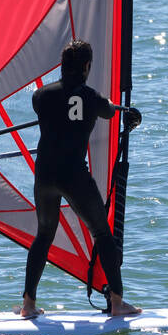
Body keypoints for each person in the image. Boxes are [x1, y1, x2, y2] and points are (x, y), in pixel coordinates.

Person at [20, 39, 141, 319]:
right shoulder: (92, 98)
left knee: (43, 235)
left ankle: (28, 305)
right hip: (73, 175)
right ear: (86, 66)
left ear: (63, 66)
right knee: (101, 233)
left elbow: (51, 107)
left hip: (45, 176)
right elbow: (109, 111)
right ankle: (118, 302)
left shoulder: (40, 96)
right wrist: (114, 107)